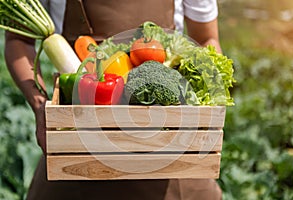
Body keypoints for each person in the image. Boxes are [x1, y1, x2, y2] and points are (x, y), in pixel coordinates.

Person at [4, 0, 223, 199]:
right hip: (77, 142)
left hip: (170, 144)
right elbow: (19, 40)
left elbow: (205, 38)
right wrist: (41, 104)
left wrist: (207, 96)